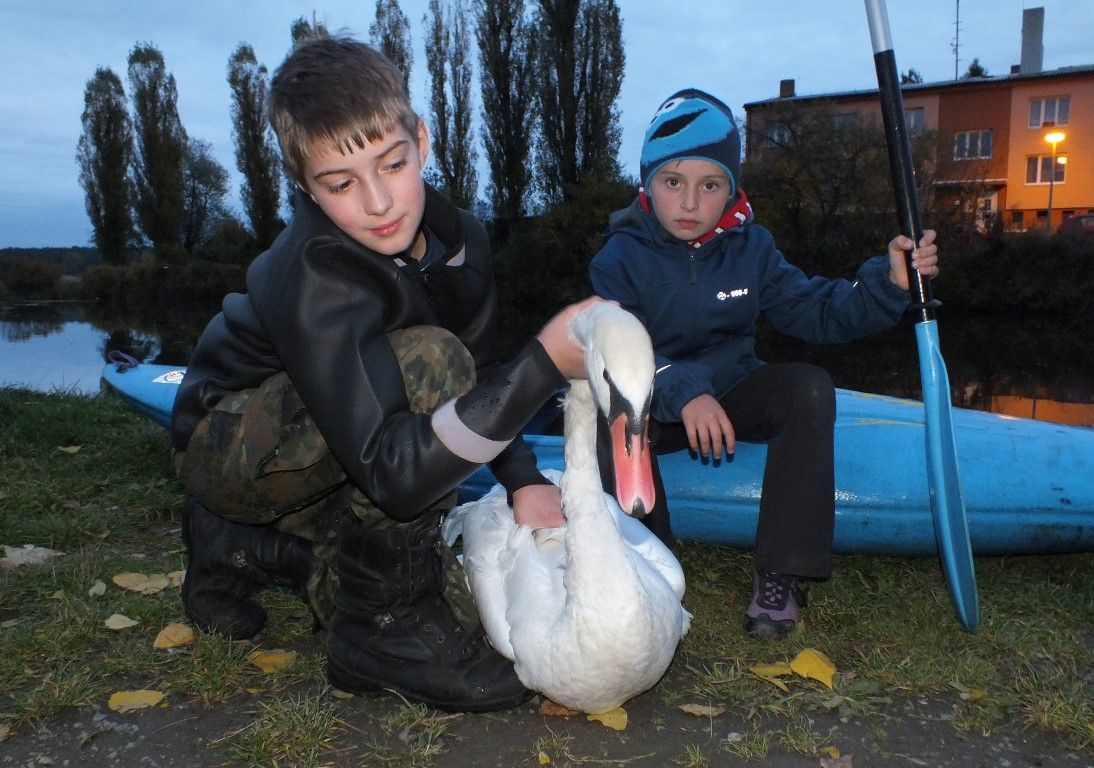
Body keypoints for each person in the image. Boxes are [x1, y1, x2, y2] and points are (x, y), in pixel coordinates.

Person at [170, 34, 598, 712]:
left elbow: (483, 366)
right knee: (429, 359)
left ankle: (249, 548)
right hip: (228, 445)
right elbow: (398, 472)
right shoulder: (314, 272)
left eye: (392, 164)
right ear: (305, 188)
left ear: (422, 142)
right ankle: (382, 634)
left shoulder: (462, 239)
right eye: (340, 185)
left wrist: (523, 481)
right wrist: (544, 366)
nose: (378, 202)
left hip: (338, 435)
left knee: (401, 576)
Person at [589, 88, 939, 639]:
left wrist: (888, 284)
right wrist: (684, 392)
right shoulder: (618, 258)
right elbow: (615, 349)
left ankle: (780, 573)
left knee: (808, 387)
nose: (689, 203)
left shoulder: (754, 249)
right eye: (672, 181)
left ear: (731, 190)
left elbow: (819, 310)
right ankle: (649, 565)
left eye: (710, 185)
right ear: (646, 184)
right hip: (649, 401)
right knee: (608, 422)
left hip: (732, 391)